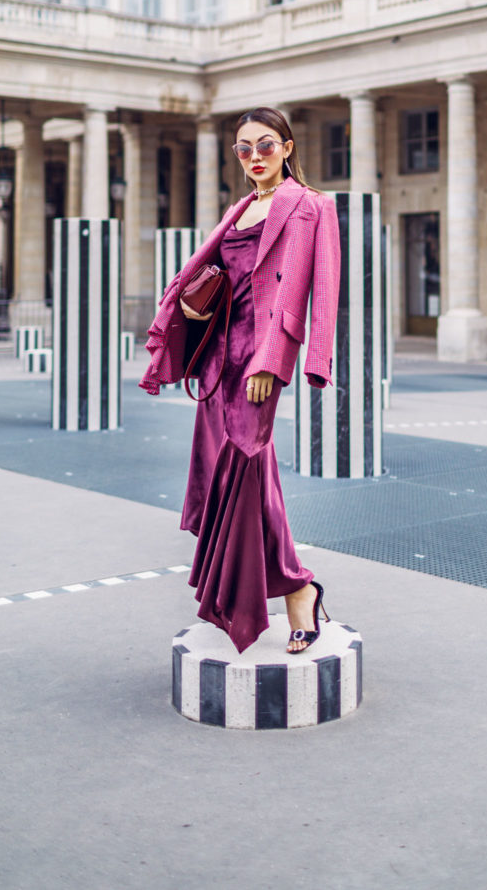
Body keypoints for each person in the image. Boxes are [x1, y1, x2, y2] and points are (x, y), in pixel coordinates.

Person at [140, 106, 341, 655]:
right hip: (219, 357)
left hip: (262, 357)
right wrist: (192, 309)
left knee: (246, 465)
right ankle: (295, 586)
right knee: (230, 471)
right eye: (245, 149)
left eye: (266, 145)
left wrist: (281, 362)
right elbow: (219, 278)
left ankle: (296, 588)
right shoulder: (238, 210)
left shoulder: (313, 207)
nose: (255, 157)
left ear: (289, 147)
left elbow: (321, 291)